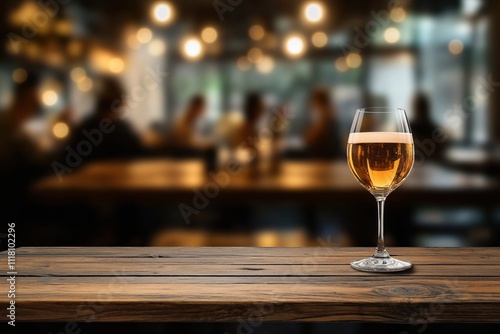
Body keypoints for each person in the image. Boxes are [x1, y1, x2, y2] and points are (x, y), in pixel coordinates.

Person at [62, 77, 143, 165]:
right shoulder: (123, 132)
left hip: (88, 178)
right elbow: (138, 160)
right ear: (121, 101)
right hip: (120, 178)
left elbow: (67, 161)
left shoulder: (85, 128)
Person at [303, 87, 342, 159]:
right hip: (325, 158)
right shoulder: (325, 116)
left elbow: (310, 139)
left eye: (314, 101)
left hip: (325, 159)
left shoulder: (326, 116)